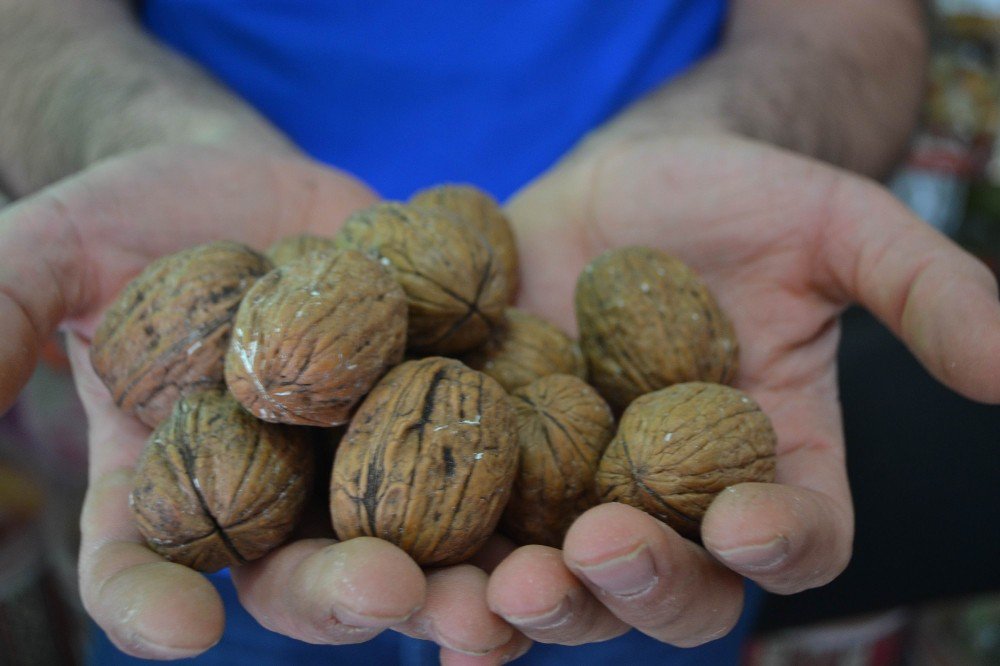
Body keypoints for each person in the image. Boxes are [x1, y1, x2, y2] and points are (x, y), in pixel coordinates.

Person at [1, 1, 997, 664]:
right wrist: (139, 137)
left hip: (606, 545)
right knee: (185, 613)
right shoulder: (284, 361)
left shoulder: (560, 402)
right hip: (220, 489)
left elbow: (845, 25)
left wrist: (739, 131)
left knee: (621, 580)